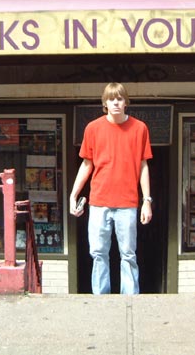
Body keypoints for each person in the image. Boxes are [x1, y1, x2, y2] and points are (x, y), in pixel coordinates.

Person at [70, 82, 153, 295]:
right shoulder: (93, 128)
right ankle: (100, 299)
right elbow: (87, 163)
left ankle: (130, 299)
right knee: (98, 253)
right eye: (111, 99)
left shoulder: (140, 128)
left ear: (126, 102)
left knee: (128, 254)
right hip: (98, 202)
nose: (115, 102)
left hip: (127, 202)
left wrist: (147, 201)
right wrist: (74, 194)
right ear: (105, 103)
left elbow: (143, 165)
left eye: (119, 98)